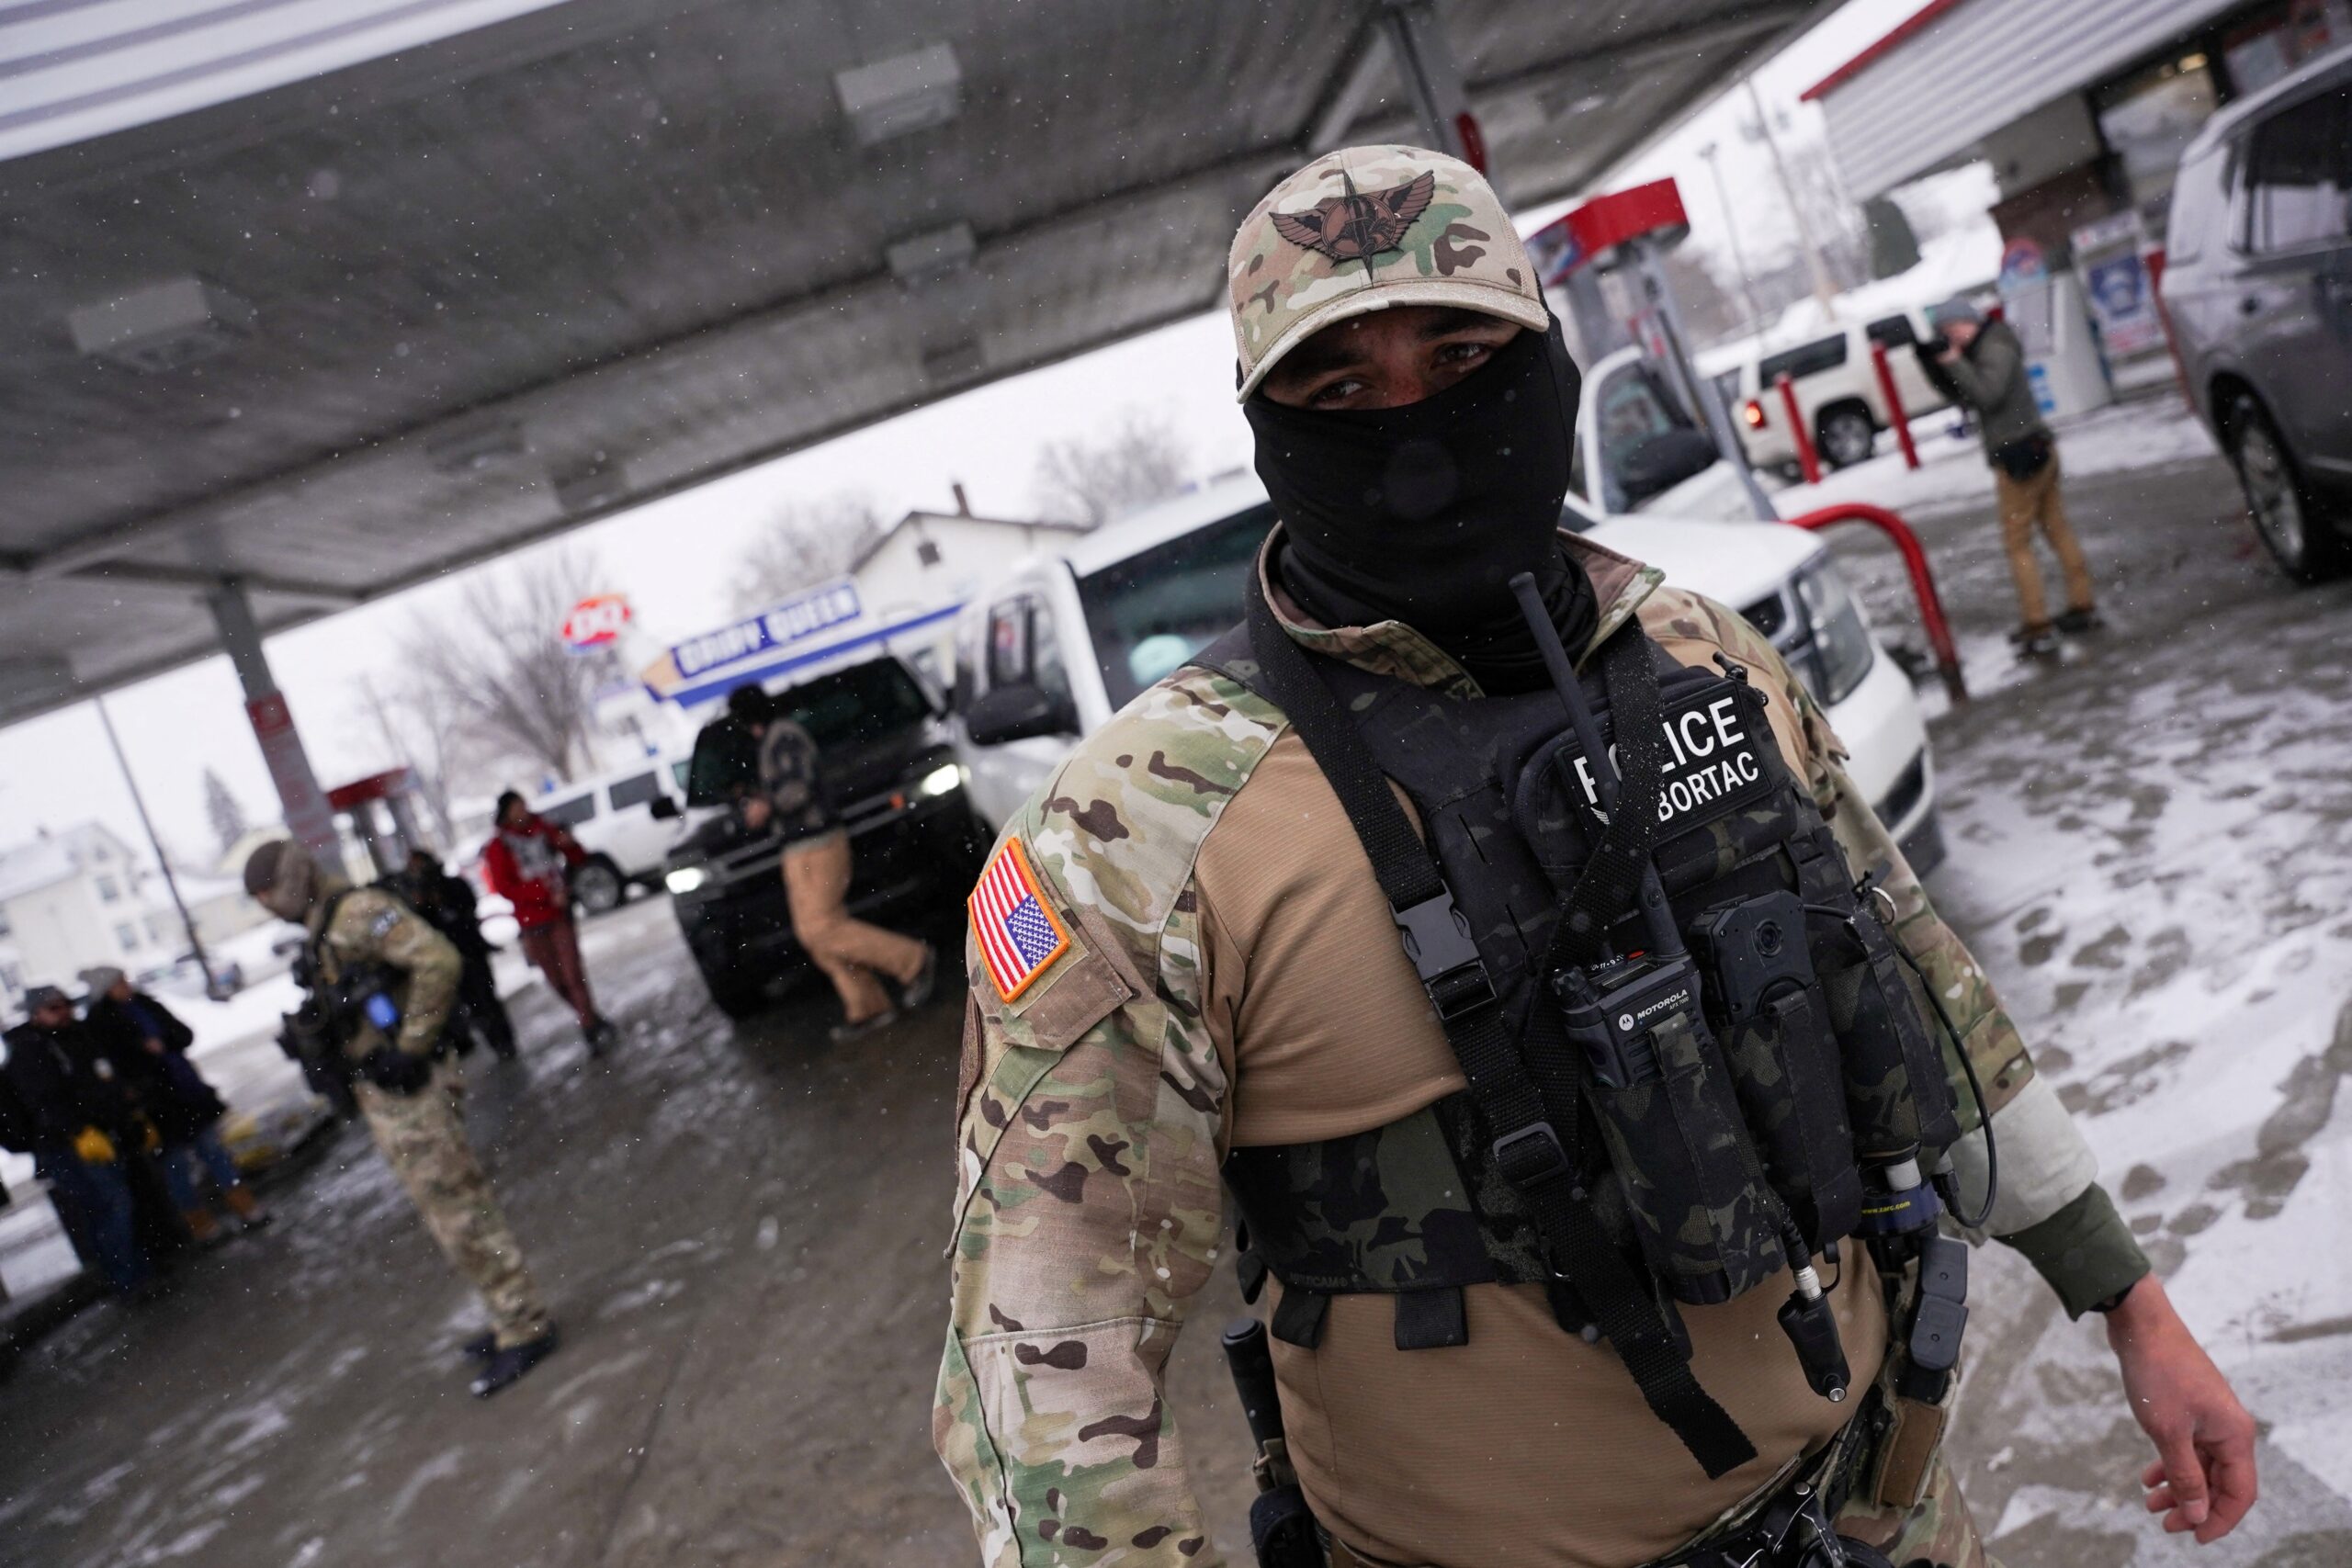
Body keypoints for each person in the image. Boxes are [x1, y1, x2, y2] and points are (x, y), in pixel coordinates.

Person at [933, 147, 2256, 1568]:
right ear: (1269, 428)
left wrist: (2126, 1296)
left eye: (1462, 356)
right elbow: (1046, 1354)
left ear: (1546, 367)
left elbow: (1914, 973)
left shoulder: (1697, 650)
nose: (1416, 428)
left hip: (1886, 1514)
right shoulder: (1140, 828)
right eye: (1341, 389)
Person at [244, 838, 559, 1396]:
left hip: (413, 1085)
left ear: (289, 883)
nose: (267, 906)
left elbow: (438, 960)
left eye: (268, 894)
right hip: (387, 1089)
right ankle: (507, 1311)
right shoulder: (326, 925)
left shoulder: (357, 912)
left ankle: (524, 1323)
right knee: (446, 1212)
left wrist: (412, 1046)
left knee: (459, 1208)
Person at [726, 683, 934, 1042]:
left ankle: (912, 960)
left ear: (745, 717)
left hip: (817, 845)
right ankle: (868, 1006)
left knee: (821, 929)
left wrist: (766, 806)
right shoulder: (773, 741)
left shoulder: (784, 737)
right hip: (800, 848)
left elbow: (799, 788)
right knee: (814, 934)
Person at [1918, 298, 2100, 656]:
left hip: (2020, 456)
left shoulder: (1994, 348)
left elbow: (1987, 396)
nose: (1950, 338)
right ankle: (2081, 604)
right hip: (2033, 449)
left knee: (2017, 542)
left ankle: (2037, 623)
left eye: (1951, 330)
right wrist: (1934, 365)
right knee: (2056, 528)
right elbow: (1962, 393)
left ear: (1966, 322)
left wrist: (1953, 360)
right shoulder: (1988, 345)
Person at [82, 966, 269, 1243]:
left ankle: (247, 1208)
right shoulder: (100, 1024)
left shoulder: (144, 1004)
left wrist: (163, 1043)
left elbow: (183, 1034)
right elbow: (112, 1069)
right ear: (106, 989)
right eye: (119, 981)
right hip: (157, 1108)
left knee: (213, 1153)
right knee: (176, 1168)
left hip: (186, 1093)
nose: (126, 984)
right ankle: (203, 1227)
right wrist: (142, 1058)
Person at [2, 986, 157, 1298]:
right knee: (110, 1206)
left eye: (66, 1005)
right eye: (53, 1008)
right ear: (36, 1014)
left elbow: (100, 1080)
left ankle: (133, 1273)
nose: (64, 1012)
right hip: (67, 1146)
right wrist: (77, 1129)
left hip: (99, 1135)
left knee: (114, 1205)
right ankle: (127, 1279)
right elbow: (45, 1102)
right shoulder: (31, 1051)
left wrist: (125, 1109)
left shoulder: (76, 1037)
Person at [481, 791, 616, 1053]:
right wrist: (542, 893)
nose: (522, 811)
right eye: (516, 807)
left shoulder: (544, 828)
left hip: (558, 915)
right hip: (532, 921)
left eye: (523, 805)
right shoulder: (499, 846)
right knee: (556, 980)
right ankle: (590, 1017)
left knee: (572, 973)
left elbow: (577, 857)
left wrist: (569, 845)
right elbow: (505, 887)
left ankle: (589, 1028)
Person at [389, 851, 517, 1060]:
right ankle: (497, 1042)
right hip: (451, 957)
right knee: (475, 1004)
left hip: (471, 950)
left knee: (487, 998)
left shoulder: (453, 885)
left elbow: (468, 909)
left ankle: (504, 1040)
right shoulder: (421, 898)